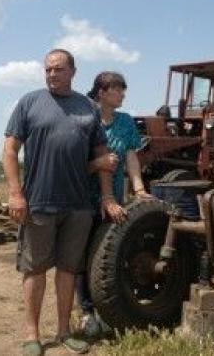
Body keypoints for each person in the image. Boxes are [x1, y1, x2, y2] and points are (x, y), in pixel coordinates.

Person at [2, 50, 126, 356]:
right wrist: (16, 193)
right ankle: (32, 335)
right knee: (34, 270)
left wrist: (108, 197)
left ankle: (63, 331)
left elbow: (102, 158)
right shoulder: (29, 102)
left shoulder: (87, 107)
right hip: (39, 203)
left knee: (68, 270)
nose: (51, 75)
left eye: (58, 69)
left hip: (79, 206)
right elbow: (9, 150)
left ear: (72, 71)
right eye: (47, 70)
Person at [76, 71, 153, 337]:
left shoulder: (125, 122)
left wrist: (140, 189)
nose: (122, 94)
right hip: (85, 198)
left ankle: (106, 310)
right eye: (117, 89)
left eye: (122, 89)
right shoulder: (85, 121)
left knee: (110, 254)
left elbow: (131, 157)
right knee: (85, 256)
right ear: (101, 92)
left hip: (115, 199)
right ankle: (87, 313)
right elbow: (76, 164)